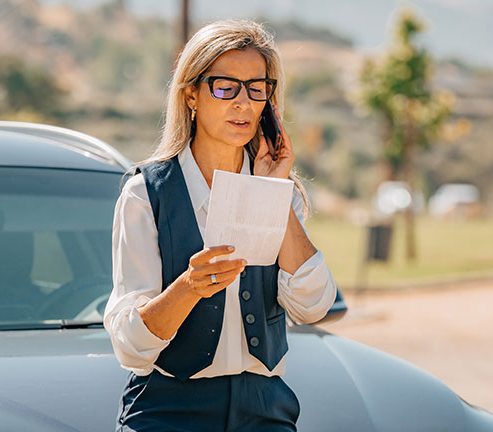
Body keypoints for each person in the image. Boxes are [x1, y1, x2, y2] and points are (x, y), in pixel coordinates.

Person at [104, 19, 338, 432]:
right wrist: (188, 287)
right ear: (191, 94)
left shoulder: (283, 193)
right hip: (169, 411)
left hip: (266, 410)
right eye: (225, 86)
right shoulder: (145, 195)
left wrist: (273, 193)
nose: (243, 103)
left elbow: (313, 305)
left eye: (256, 88)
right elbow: (131, 349)